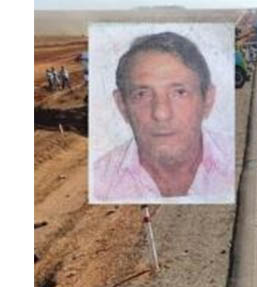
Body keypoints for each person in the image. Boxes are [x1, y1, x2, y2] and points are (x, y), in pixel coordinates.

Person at [91, 31, 234, 204]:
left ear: (208, 100)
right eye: (142, 94)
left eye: (179, 92)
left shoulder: (236, 163)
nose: (161, 113)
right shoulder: (99, 182)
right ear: (122, 105)